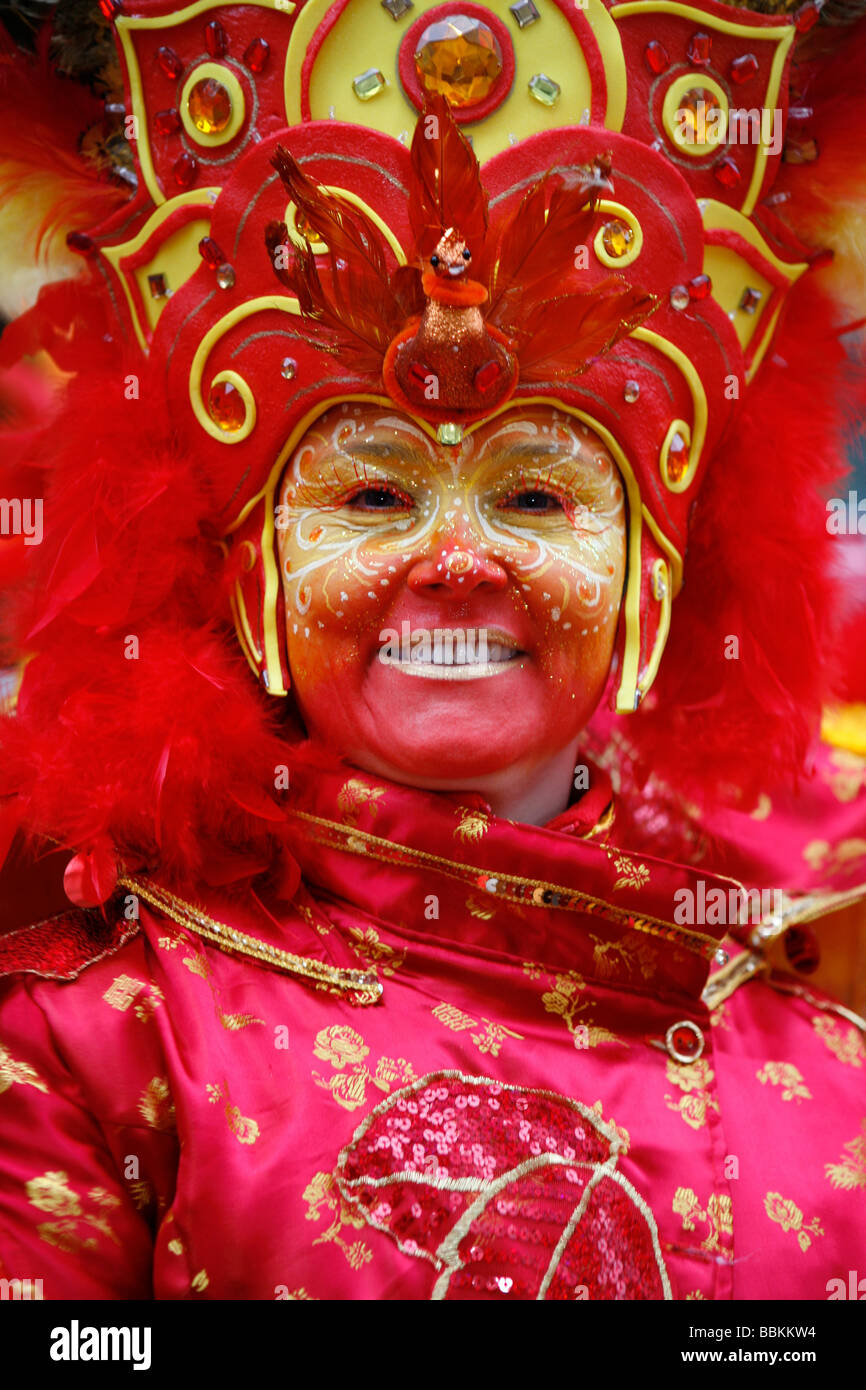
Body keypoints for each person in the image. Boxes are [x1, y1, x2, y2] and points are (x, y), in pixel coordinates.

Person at [0, 0, 864, 1301]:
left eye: (531, 496)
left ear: (655, 560)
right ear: (249, 565)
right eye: (370, 495)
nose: (455, 560)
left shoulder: (827, 954)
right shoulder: (97, 1015)